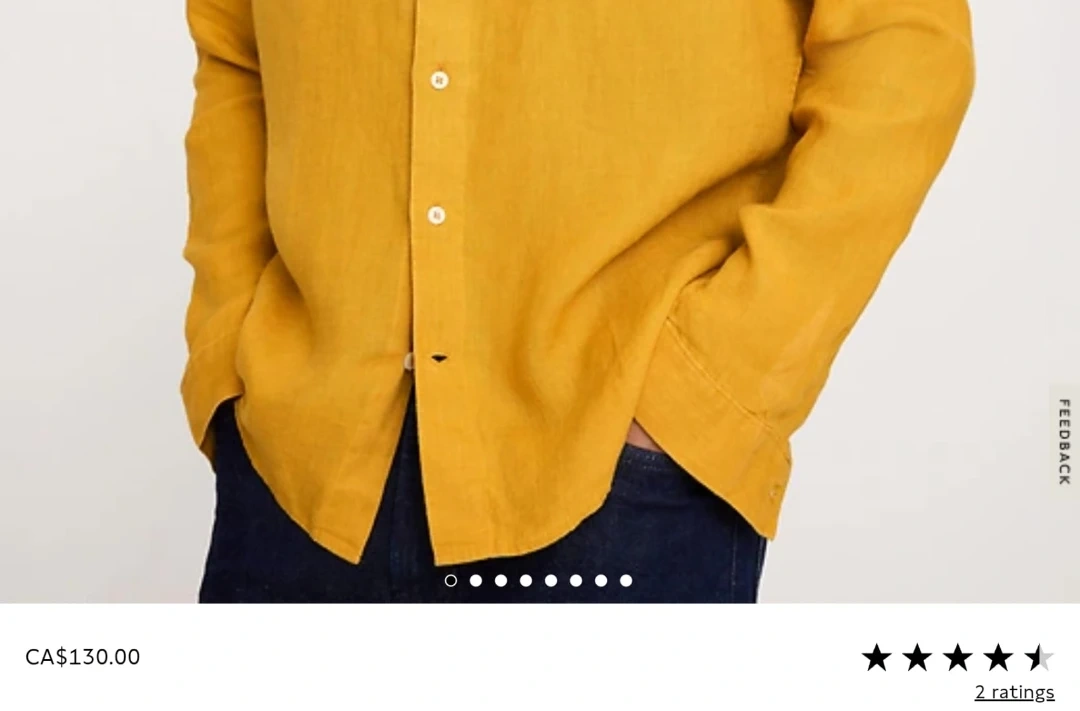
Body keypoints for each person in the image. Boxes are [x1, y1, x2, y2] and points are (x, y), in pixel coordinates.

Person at [183, 0, 975, 603]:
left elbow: (906, 50)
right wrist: (227, 349)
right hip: (301, 458)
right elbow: (234, 50)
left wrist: (708, 390)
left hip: (615, 465)